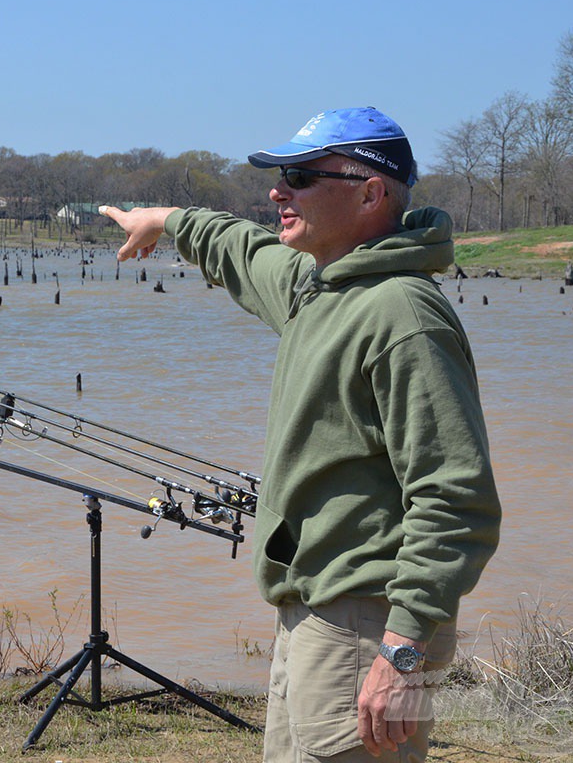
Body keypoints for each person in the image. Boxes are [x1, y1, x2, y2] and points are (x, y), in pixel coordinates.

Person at [100, 107, 501, 763]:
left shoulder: (402, 315)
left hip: (367, 628)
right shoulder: (319, 291)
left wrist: (402, 653)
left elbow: (455, 501)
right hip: (309, 622)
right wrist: (167, 221)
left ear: (372, 193)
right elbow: (243, 251)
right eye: (280, 174)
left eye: (301, 176)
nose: (276, 191)